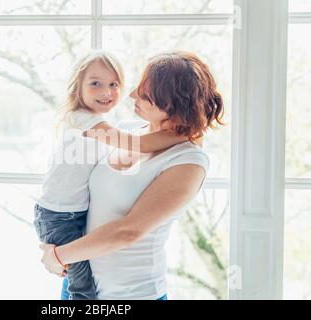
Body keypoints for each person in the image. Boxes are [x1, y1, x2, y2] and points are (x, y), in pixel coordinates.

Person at [40, 51, 224, 300]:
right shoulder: (129, 132)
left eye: (145, 94)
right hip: (81, 285)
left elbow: (128, 231)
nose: (131, 95)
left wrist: (59, 256)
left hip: (133, 294)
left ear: (171, 104)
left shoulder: (188, 162)